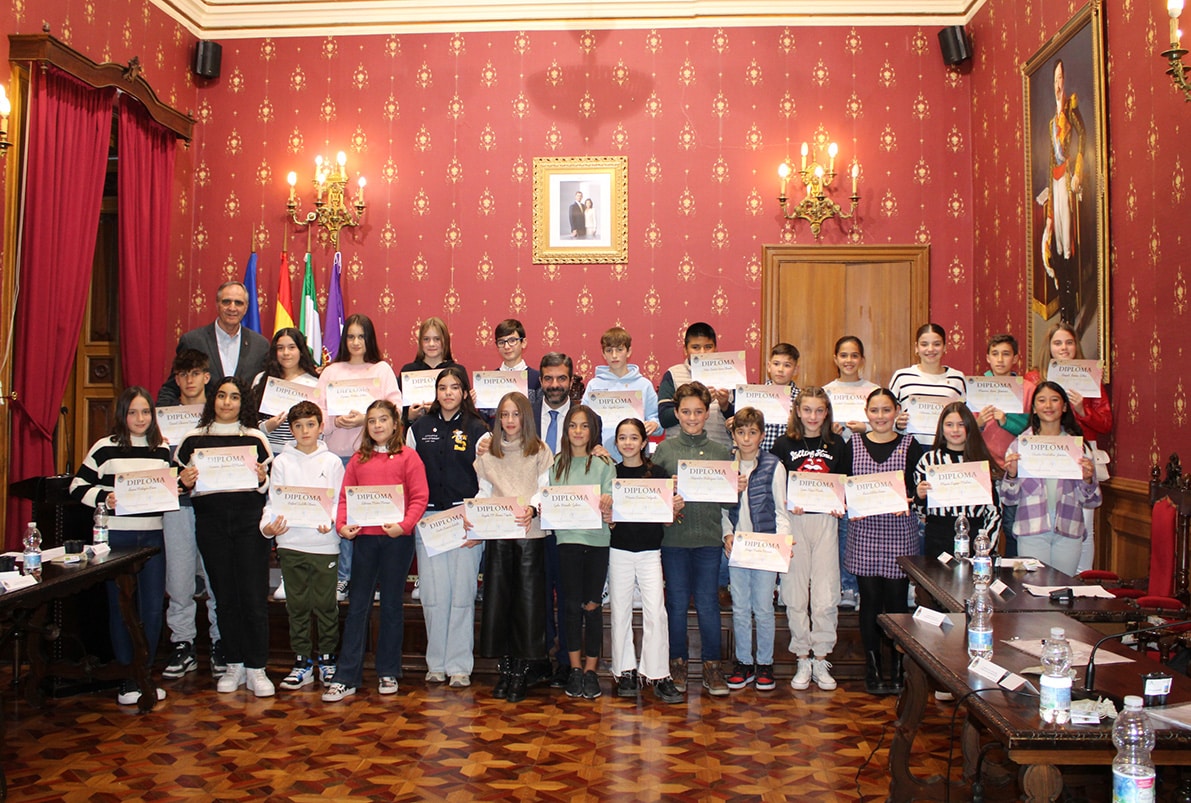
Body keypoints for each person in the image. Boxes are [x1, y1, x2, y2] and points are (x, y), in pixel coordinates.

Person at [70, 387, 172, 705]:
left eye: (145, 412)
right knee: (121, 608)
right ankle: (127, 678)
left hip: (153, 539)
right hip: (117, 540)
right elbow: (77, 485)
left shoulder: (162, 449)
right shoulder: (105, 448)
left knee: (153, 609)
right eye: (133, 412)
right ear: (122, 415)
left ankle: (145, 673)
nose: (140, 419)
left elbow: (169, 490)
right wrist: (105, 497)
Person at [323, 400, 429, 702]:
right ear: (366, 427)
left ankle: (388, 670)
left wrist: (405, 525)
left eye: (384, 420)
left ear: (396, 424)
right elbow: (344, 497)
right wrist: (343, 525)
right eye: (372, 421)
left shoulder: (409, 458)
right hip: (366, 540)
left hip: (397, 539)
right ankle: (347, 676)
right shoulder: (358, 459)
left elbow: (420, 497)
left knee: (393, 605)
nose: (378, 425)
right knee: (358, 606)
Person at [176, 377, 275, 697]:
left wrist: (262, 478)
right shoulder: (192, 439)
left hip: (249, 525)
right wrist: (185, 480)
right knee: (224, 596)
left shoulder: (256, 437)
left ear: (242, 402)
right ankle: (233, 663)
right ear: (212, 400)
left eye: (234, 397)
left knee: (252, 596)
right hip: (211, 525)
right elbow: (178, 483)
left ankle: (257, 668)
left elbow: (271, 486)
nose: (227, 402)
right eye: (221, 396)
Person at [407, 367, 489, 688]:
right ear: (435, 392)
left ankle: (459, 666)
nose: (448, 393)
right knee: (433, 594)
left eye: (455, 387)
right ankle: (436, 663)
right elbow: (410, 476)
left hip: (465, 519)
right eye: (443, 387)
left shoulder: (479, 430)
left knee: (462, 595)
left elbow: (488, 481)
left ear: (465, 392)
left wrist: (478, 524)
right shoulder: (419, 428)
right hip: (429, 520)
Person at [471, 392, 554, 703]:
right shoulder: (488, 452)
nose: (509, 421)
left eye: (515, 415)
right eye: (503, 415)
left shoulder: (540, 450)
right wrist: (475, 513)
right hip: (498, 537)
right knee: (500, 603)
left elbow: (545, 489)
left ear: (525, 418)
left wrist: (532, 508)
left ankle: (521, 672)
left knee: (527, 607)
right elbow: (484, 491)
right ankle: (505, 670)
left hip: (529, 536)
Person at [653, 381, 734, 697]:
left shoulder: (720, 451)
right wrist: (667, 492)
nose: (691, 417)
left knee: (707, 604)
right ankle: (677, 663)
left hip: (709, 540)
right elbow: (652, 497)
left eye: (698, 412)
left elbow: (728, 503)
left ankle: (713, 666)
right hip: (673, 540)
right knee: (675, 604)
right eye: (685, 412)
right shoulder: (665, 450)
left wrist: (734, 487)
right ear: (676, 413)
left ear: (707, 412)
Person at [770, 388, 851, 692]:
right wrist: (791, 501)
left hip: (827, 521)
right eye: (807, 410)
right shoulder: (783, 444)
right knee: (793, 591)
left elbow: (845, 482)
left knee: (826, 591)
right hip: (795, 520)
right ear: (798, 411)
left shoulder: (837, 443)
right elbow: (777, 486)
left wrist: (839, 503)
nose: (813, 417)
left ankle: (821, 656)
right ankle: (802, 655)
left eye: (819, 411)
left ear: (827, 413)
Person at [317, 313, 403, 599]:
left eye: (361, 336)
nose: (355, 342)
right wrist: (335, 422)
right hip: (335, 458)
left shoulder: (381, 370)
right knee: (342, 519)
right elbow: (318, 415)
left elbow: (396, 410)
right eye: (351, 336)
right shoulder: (330, 372)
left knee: (372, 519)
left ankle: (371, 581)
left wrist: (363, 420)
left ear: (370, 339)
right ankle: (342, 578)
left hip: (371, 459)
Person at [260, 401, 345, 690]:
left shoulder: (332, 461)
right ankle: (302, 662)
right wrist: (268, 527)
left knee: (325, 605)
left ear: (321, 427)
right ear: (291, 430)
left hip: (324, 544)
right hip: (291, 543)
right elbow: (274, 501)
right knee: (297, 606)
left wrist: (331, 521)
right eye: (298, 426)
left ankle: (327, 659)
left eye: (310, 424)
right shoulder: (282, 462)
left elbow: (337, 503)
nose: (305, 430)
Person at [845, 388, 923, 696]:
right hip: (864, 532)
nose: (880, 416)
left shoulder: (910, 445)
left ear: (896, 412)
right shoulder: (853, 445)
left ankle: (899, 668)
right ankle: (873, 667)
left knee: (897, 604)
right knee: (870, 604)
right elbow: (842, 485)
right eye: (874, 410)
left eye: (886, 410)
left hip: (898, 532)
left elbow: (920, 490)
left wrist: (911, 498)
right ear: (867, 413)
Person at [605, 418, 684, 704]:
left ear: (643, 442)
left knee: (656, 613)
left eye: (633, 437)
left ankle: (658, 675)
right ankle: (625, 672)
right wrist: (608, 519)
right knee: (621, 612)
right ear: (616, 443)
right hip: (620, 551)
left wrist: (674, 508)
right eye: (622, 438)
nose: (628, 443)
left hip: (651, 551)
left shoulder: (659, 475)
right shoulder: (610, 475)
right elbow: (605, 516)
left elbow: (669, 519)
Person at [156, 350, 223, 681]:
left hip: (213, 506)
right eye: (183, 375)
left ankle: (219, 642)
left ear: (207, 377)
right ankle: (182, 644)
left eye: (196, 373)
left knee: (216, 577)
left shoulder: (221, 415)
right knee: (180, 579)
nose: (190, 380)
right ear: (176, 379)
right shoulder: (161, 419)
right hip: (177, 506)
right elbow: (154, 466)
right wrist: (176, 477)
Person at [1024, 321, 1111, 572]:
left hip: (1079, 454)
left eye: (1069, 342)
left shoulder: (1090, 377)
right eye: (1058, 343)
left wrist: (1083, 408)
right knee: (1045, 523)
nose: (1064, 348)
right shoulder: (1034, 377)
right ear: (1049, 347)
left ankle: (1080, 581)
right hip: (1044, 454)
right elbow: (1027, 418)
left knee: (1083, 524)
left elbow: (1106, 423)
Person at [722, 408, 790, 694]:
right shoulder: (727, 466)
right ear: (734, 435)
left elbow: (781, 510)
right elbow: (721, 508)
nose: (747, 438)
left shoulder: (774, 466)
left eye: (752, 432)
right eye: (741, 432)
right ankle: (743, 662)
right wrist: (726, 534)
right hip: (737, 547)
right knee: (740, 607)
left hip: (765, 547)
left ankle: (765, 664)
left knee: (763, 608)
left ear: (762, 435)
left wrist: (783, 542)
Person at [1000, 382, 1101, 575]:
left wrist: (1088, 480)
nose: (1048, 406)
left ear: (1064, 407)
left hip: (1069, 529)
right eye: (1042, 400)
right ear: (1034, 409)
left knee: (1062, 591)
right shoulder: (1020, 445)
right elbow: (1008, 498)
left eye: (1054, 400)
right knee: (1032, 591)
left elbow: (1092, 500)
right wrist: (1012, 474)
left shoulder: (1078, 447)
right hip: (1032, 529)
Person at [550, 405, 614, 701]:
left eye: (584, 426)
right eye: (573, 426)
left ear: (593, 431)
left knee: (592, 606)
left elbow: (611, 503)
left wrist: (607, 502)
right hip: (567, 542)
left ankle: (591, 670)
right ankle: (574, 669)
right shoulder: (556, 464)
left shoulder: (603, 463)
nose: (577, 431)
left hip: (598, 542)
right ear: (566, 431)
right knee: (571, 605)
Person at [532, 352, 577, 687]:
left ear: (571, 380)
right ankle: (542, 657)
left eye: (561, 378)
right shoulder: (529, 412)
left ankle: (566, 662)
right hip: (532, 519)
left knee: (569, 592)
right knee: (539, 593)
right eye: (548, 378)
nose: (555, 385)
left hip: (571, 519)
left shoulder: (584, 415)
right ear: (541, 380)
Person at [824, 336, 878, 609]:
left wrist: (864, 429)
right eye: (843, 355)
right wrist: (828, 431)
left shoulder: (874, 391)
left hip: (865, 464)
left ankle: (859, 586)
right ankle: (845, 585)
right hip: (834, 466)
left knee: (859, 527)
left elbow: (886, 426)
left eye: (854, 355)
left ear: (862, 359)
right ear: (835, 358)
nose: (849, 361)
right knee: (837, 528)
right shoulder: (825, 392)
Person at [912, 401, 1002, 561]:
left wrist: (985, 544)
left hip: (975, 537)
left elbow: (994, 511)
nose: (955, 430)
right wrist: (919, 496)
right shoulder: (928, 461)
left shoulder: (980, 462)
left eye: (961, 424)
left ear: (970, 427)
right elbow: (919, 512)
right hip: (937, 538)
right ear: (941, 428)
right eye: (949, 424)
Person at [158, 281, 270, 404]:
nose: (232, 308)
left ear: (246, 308)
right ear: (217, 304)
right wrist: (171, 417)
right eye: (226, 302)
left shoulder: (261, 346)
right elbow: (172, 388)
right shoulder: (193, 341)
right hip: (202, 421)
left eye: (238, 303)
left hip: (245, 422)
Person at [1038, 58, 1086, 328]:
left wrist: (1079, 172)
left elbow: (1084, 138)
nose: (1057, 84)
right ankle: (1064, 305)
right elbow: (1048, 163)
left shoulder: (1072, 106)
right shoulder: (1049, 123)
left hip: (1068, 178)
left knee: (1068, 242)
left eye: (1060, 79)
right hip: (1055, 183)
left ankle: (1072, 304)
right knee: (1055, 242)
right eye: (1054, 80)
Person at [976, 334, 1033, 558]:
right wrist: (979, 423)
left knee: (1011, 529)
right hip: (984, 471)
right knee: (984, 530)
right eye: (995, 354)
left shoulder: (1027, 389)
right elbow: (963, 429)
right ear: (988, 358)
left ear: (1016, 358)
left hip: (1014, 471)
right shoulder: (977, 386)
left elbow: (1032, 428)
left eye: (1006, 354)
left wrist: (1006, 420)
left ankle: (1010, 580)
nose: (1000, 360)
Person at [582, 326, 660, 462]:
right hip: (601, 457)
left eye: (619, 350)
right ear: (603, 353)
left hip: (636, 459)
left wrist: (655, 424)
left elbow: (656, 421)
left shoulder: (644, 385)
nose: (614, 355)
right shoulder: (594, 385)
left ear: (629, 351)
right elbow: (583, 421)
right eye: (609, 350)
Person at [658, 322, 733, 449]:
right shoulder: (673, 374)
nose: (702, 352)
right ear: (685, 350)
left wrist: (725, 406)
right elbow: (664, 418)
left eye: (708, 347)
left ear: (716, 349)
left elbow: (741, 422)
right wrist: (698, 402)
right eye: (696, 347)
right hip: (678, 452)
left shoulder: (730, 374)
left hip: (719, 452)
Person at [889, 323, 966, 445]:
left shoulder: (958, 378)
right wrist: (897, 423)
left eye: (937, 344)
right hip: (908, 448)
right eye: (924, 344)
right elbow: (887, 413)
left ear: (945, 347)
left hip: (946, 447)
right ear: (916, 347)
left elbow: (965, 418)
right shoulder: (902, 377)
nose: (930, 349)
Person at [252, 327, 320, 453]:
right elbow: (248, 421)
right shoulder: (261, 379)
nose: (286, 353)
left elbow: (318, 426)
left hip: (300, 453)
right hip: (266, 451)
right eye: (280, 348)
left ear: (301, 351)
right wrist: (267, 427)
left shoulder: (314, 384)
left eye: (291, 347)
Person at [399, 317, 465, 423]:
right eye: (426, 339)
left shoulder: (457, 371)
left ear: (446, 341)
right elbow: (397, 412)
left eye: (437, 339)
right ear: (420, 342)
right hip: (416, 432)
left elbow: (465, 412)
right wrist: (409, 416)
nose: (431, 344)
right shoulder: (408, 371)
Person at [758, 343, 801, 454]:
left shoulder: (802, 398)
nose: (780, 369)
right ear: (769, 366)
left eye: (787, 365)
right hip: (758, 457)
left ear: (796, 370)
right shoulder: (754, 395)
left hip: (790, 457)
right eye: (776, 364)